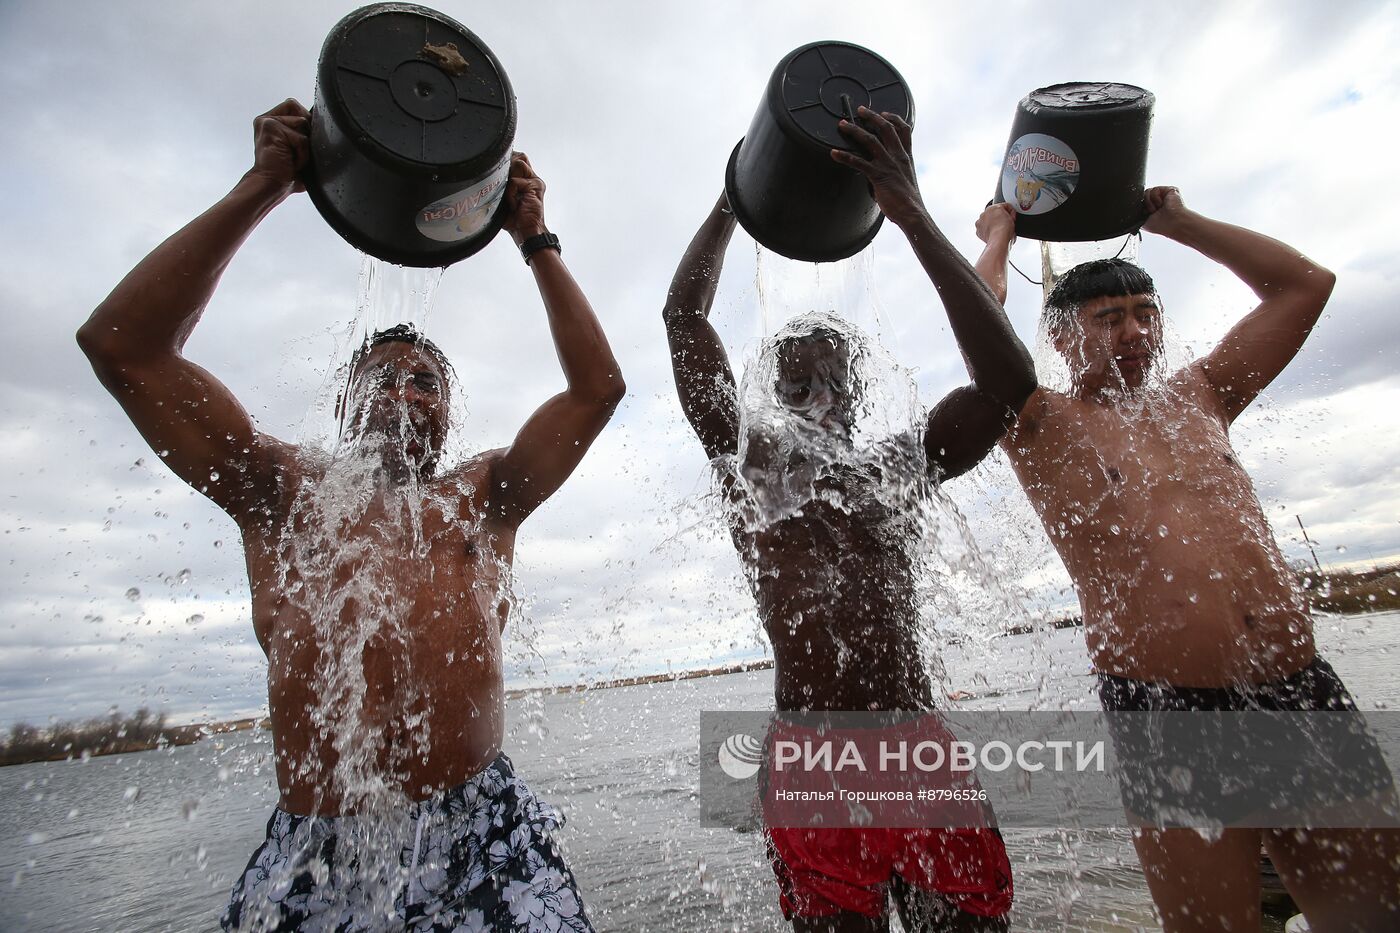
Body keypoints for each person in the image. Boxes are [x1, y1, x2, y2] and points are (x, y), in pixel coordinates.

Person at [76, 99, 623, 932]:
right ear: (344, 403)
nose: (402, 394)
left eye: (425, 382)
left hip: (484, 833)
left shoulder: (482, 496)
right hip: (318, 848)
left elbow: (597, 390)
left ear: (447, 411)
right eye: (381, 378)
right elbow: (122, 344)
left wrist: (533, 237)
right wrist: (262, 187)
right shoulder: (280, 491)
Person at [973, 192, 1400, 931]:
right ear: (1063, 338)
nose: (1136, 331)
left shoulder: (1201, 394)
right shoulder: (1041, 421)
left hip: (1298, 689)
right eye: (1110, 318)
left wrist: (1176, 222)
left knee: (1378, 913)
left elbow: (1307, 285)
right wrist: (999, 234)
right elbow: (977, 325)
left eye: (1146, 312)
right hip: (1171, 712)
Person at [663, 106, 1034, 933]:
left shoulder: (898, 465)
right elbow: (684, 320)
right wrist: (736, 195)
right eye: (795, 383)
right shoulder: (751, 469)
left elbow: (1009, 382)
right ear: (769, 396)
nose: (817, 395)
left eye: (834, 379)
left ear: (860, 396)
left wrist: (909, 213)